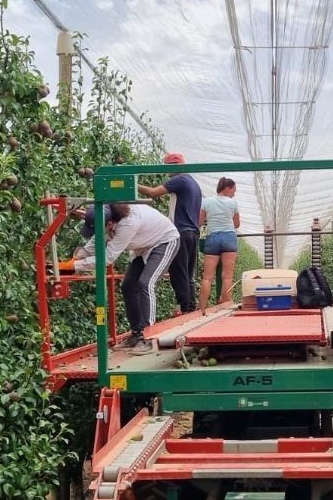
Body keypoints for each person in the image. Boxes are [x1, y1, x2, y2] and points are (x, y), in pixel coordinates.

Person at [59, 203, 179, 356]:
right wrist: (71, 261)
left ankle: (149, 337)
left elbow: (107, 258)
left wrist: (75, 266)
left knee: (145, 283)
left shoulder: (128, 223)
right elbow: (92, 246)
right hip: (142, 247)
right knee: (128, 286)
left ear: (109, 224)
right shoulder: (107, 220)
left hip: (164, 241)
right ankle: (136, 335)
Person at [138, 152, 201, 314]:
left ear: (176, 166)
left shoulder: (180, 179)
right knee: (188, 274)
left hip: (180, 231)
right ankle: (191, 308)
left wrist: (130, 184)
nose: (166, 172)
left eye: (167, 167)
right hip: (193, 233)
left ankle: (185, 308)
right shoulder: (194, 183)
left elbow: (153, 193)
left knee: (178, 272)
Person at [198, 177, 241, 309]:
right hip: (229, 237)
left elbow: (200, 222)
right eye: (233, 190)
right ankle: (226, 307)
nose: (234, 193)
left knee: (207, 277)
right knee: (227, 276)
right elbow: (237, 224)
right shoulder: (233, 203)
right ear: (227, 189)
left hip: (212, 238)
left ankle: (202, 309)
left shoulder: (207, 201)